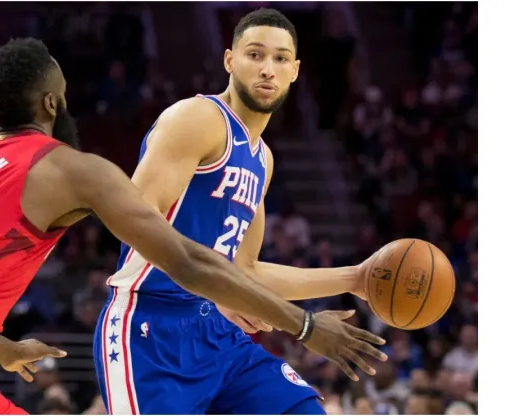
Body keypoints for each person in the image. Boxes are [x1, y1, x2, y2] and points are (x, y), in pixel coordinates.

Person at [0, 37, 385, 415]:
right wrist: (306, 326)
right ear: (53, 102)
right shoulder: (69, 168)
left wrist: (1, 347)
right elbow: (185, 258)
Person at [94, 8, 385, 415]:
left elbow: (246, 270)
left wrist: (356, 277)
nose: (268, 69)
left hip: (215, 333)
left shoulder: (262, 159)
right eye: (255, 55)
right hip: (150, 331)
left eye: (280, 58)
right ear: (229, 60)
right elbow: (130, 221)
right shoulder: (199, 118)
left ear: (295, 71)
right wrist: (299, 323)